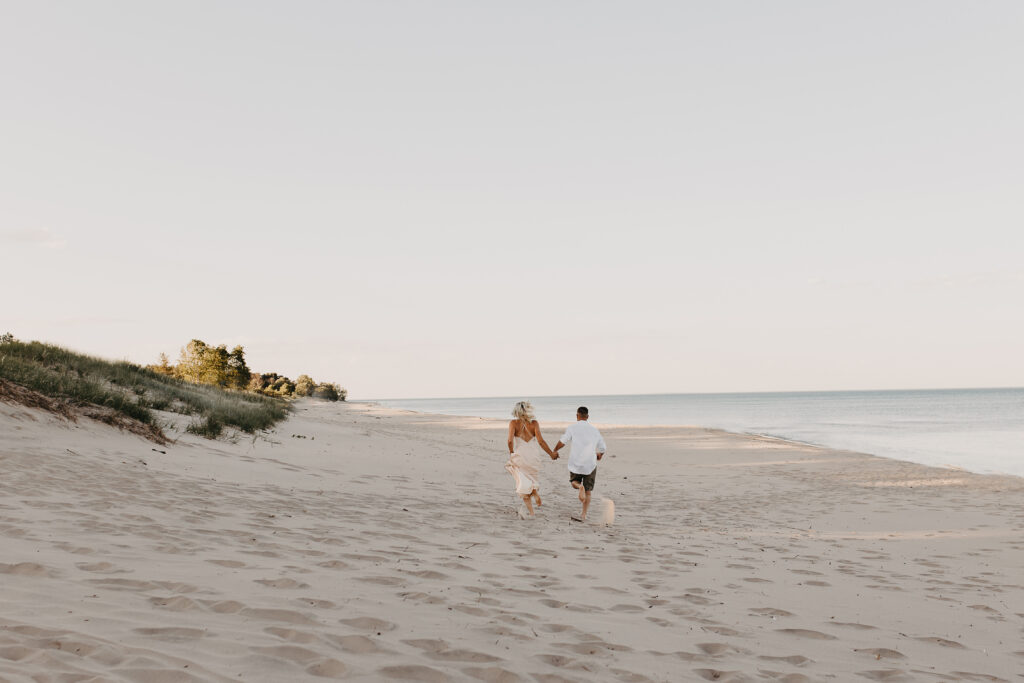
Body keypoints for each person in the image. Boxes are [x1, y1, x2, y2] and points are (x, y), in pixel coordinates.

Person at [551, 406, 606, 522]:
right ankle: (584, 515)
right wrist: (600, 455)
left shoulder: (572, 428)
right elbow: (602, 447)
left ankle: (579, 486)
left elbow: (563, 441)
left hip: (576, 462)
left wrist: (555, 450)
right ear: (587, 417)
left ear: (577, 416)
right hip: (590, 464)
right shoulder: (594, 430)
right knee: (588, 491)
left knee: (573, 482)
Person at [505, 401, 555, 518]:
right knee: (532, 478)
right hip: (533, 455)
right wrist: (551, 453)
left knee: (522, 482)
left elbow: (509, 440)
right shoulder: (534, 423)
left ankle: (532, 511)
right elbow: (541, 441)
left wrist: (511, 451)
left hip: (521, 456)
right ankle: (535, 493)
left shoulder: (513, 423)